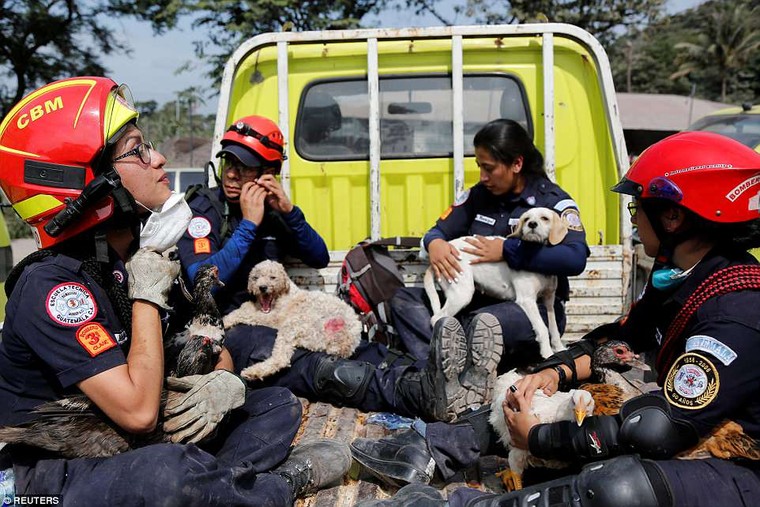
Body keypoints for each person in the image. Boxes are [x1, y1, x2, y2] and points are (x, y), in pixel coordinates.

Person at [353, 131, 760, 506]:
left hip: (740, 464)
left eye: (638, 207)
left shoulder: (734, 309)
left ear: (673, 218)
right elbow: (622, 339)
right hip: (689, 428)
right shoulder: (681, 275)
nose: (634, 218)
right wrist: (555, 374)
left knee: (618, 487)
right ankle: (433, 448)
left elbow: (659, 428)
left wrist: (539, 437)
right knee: (524, 395)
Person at [0, 77, 349, 506]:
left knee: (277, 405)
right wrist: (147, 294)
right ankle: (271, 489)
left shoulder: (122, 262)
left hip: (132, 444)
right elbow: (139, 412)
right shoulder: (53, 287)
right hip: (53, 473)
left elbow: (207, 345)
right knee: (168, 474)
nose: (159, 158)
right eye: (137, 149)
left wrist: (224, 382)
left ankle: (218, 489)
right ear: (86, 184)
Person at [387, 118, 589, 368]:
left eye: (489, 168)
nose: (482, 176)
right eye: (479, 167)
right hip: (473, 300)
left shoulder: (552, 201)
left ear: (516, 163)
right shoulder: (478, 196)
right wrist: (435, 243)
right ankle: (436, 368)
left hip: (528, 310)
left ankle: (450, 364)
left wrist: (508, 250)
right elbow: (438, 230)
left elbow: (576, 259)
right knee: (403, 299)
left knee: (483, 322)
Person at [176, 114, 329, 315]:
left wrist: (290, 213)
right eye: (229, 163)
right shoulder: (203, 210)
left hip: (268, 318)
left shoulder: (274, 213)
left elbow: (319, 258)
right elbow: (203, 285)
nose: (231, 174)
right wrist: (248, 225)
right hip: (222, 323)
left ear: (268, 173)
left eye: (244, 167)